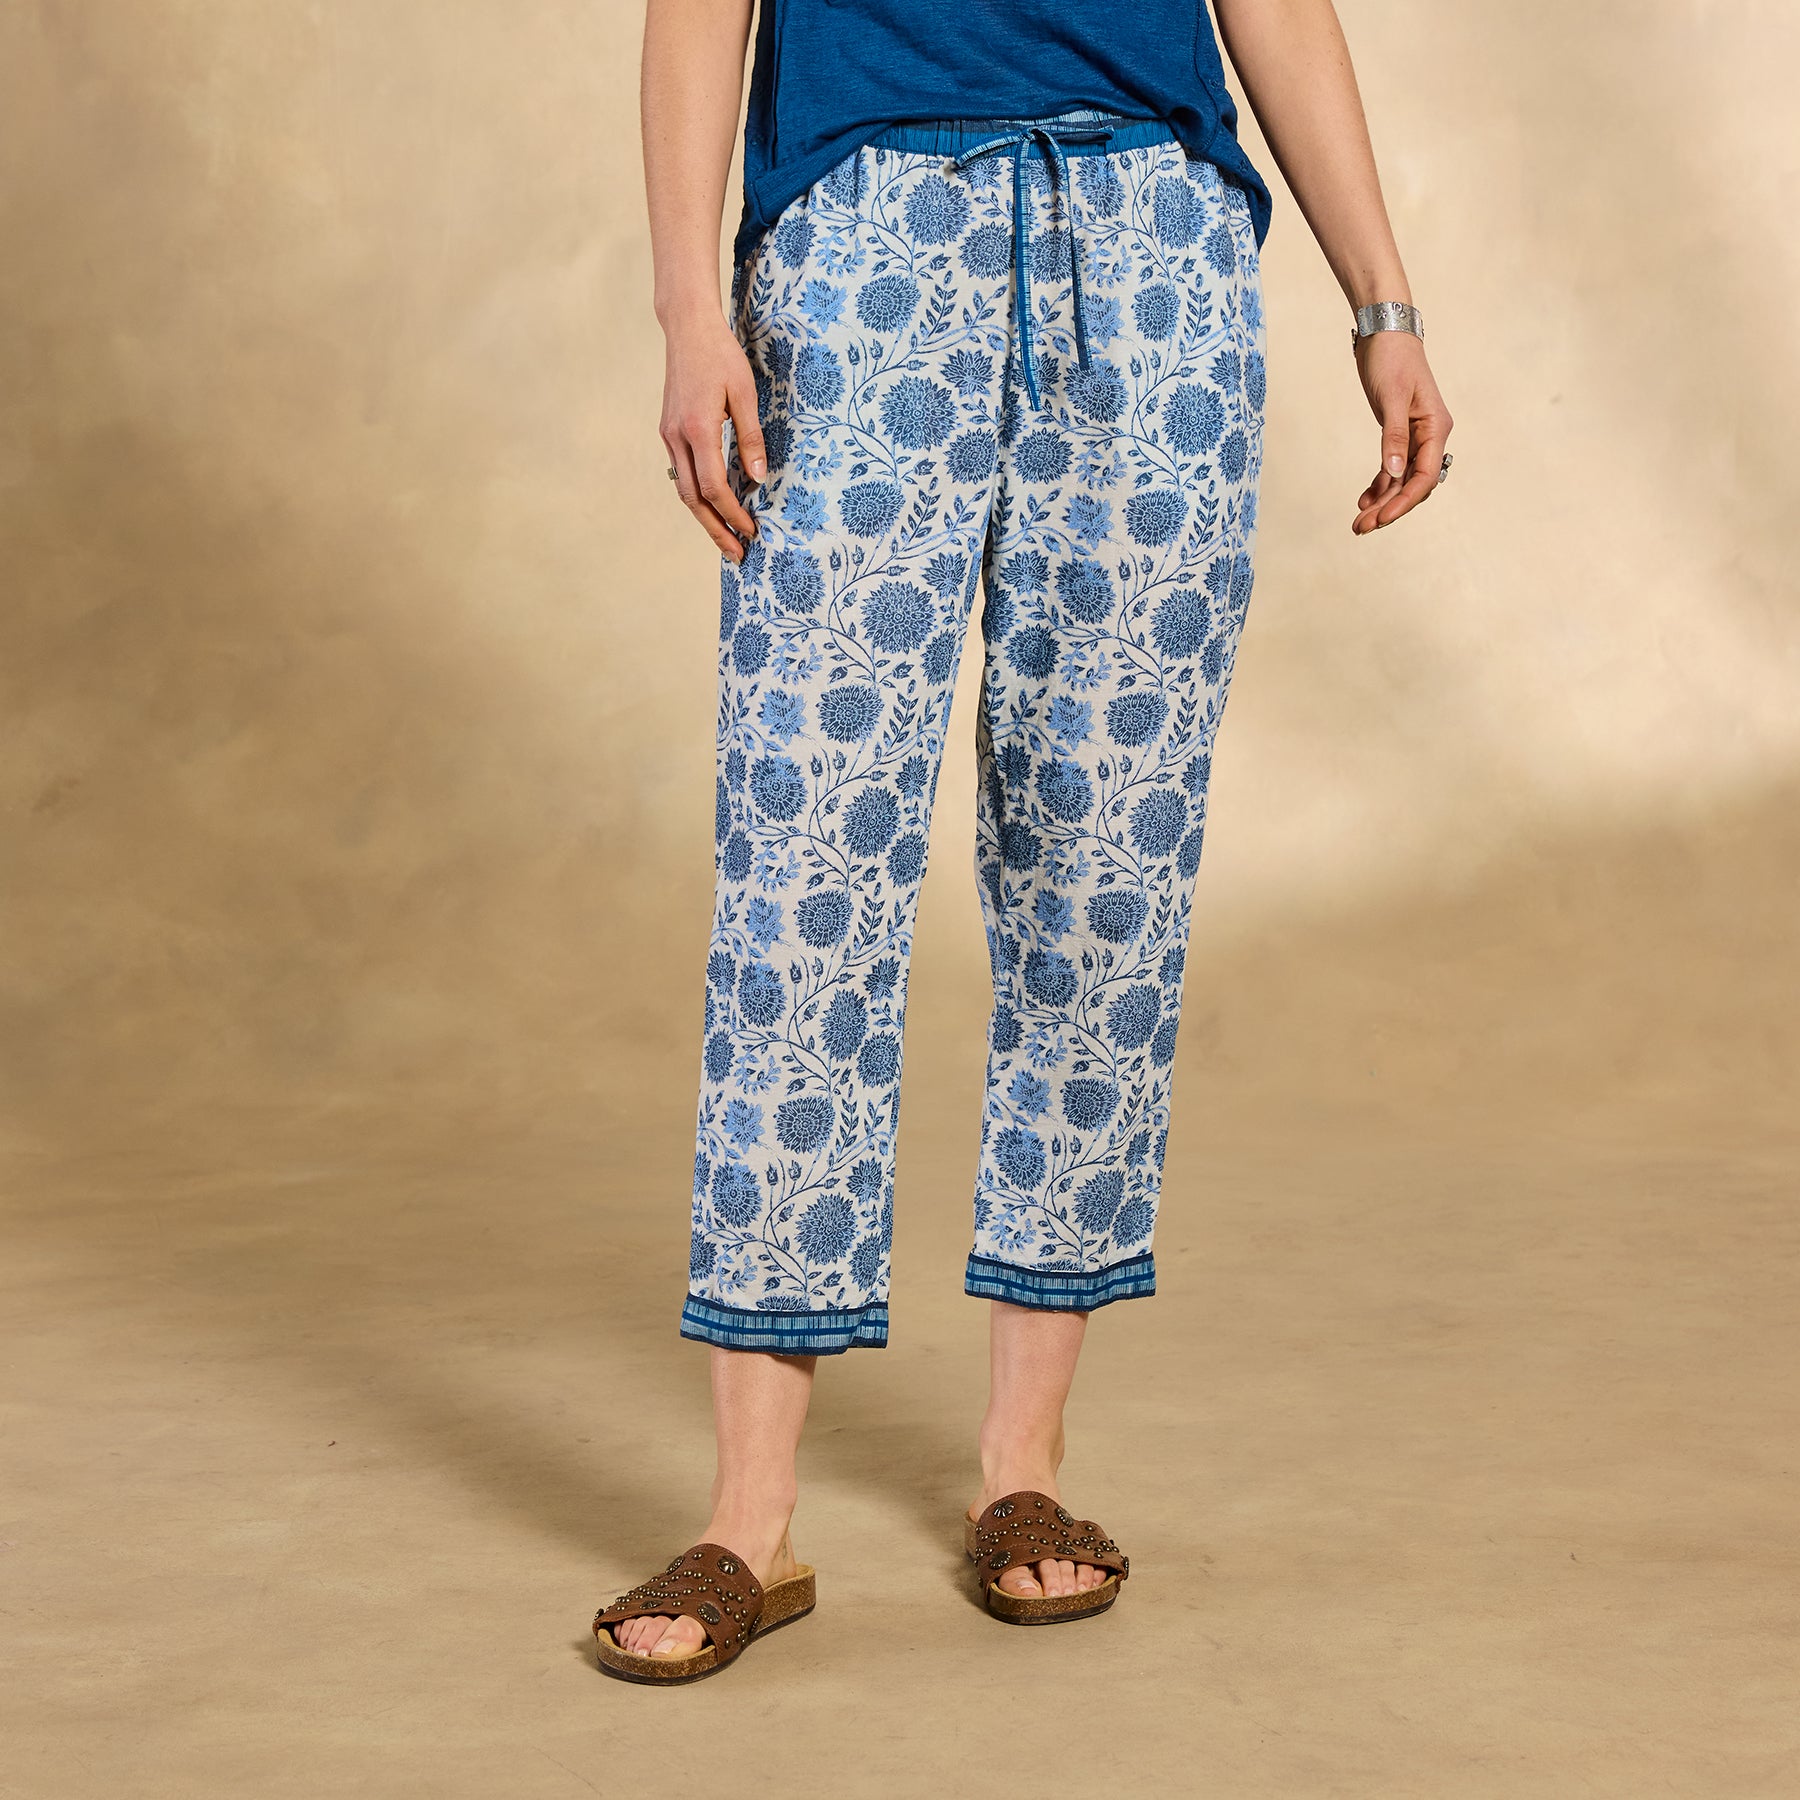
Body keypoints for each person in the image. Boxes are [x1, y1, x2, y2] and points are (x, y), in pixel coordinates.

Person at [594, 0, 1454, 1682]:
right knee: (805, 873)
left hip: (1152, 252)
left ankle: (1024, 1471)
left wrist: (1385, 306)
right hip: (863, 246)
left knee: (1103, 869)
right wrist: (693, 310)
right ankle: (748, 1521)